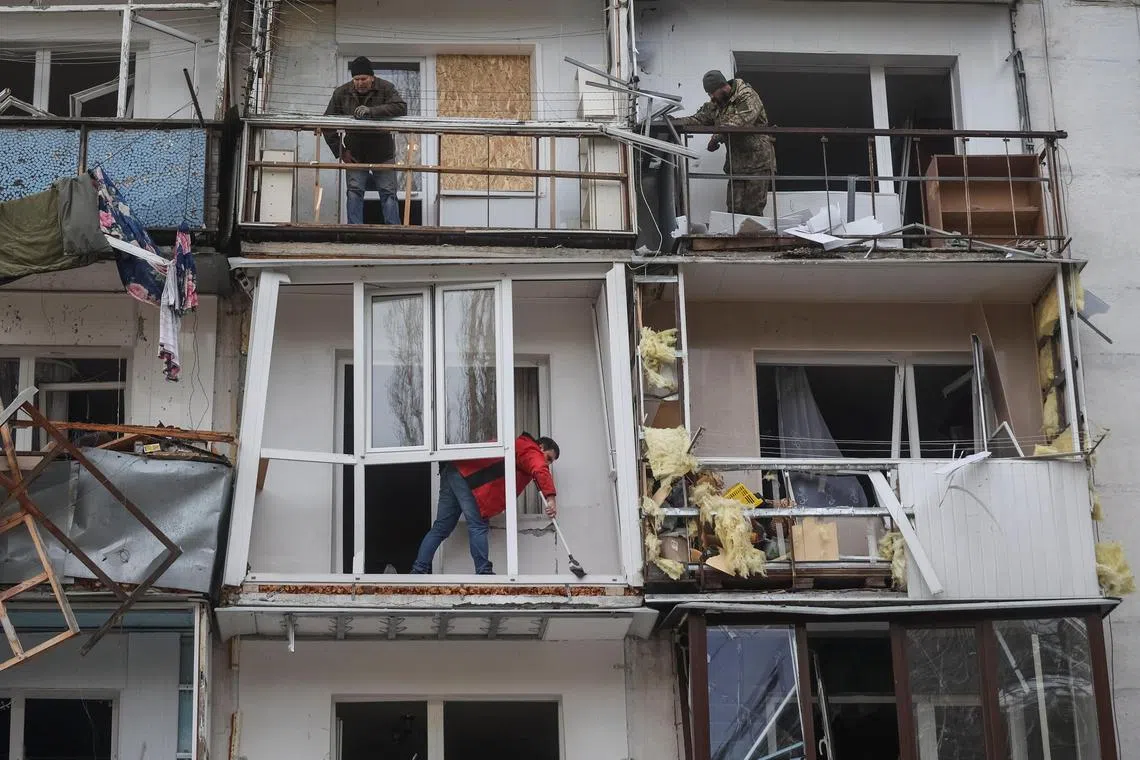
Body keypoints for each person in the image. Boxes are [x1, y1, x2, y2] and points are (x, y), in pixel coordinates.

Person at [411, 433, 560, 575]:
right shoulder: (529, 448)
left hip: (454, 470)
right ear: (540, 447)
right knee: (478, 524)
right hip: (467, 477)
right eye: (548, 458)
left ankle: (419, 569)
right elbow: (540, 467)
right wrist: (551, 498)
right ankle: (483, 572)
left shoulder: (520, 447)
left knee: (441, 528)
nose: (547, 463)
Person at [671, 69, 776, 217]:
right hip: (737, 165)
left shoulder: (747, 96)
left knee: (753, 208)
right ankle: (736, 240)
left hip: (757, 162)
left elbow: (741, 122)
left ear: (722, 86)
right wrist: (674, 122)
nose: (711, 97)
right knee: (734, 210)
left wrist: (716, 137)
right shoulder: (717, 103)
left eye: (712, 92)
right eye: (709, 94)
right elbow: (699, 119)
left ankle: (753, 240)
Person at [323, 56, 408, 225]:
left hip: (382, 151)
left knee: (388, 192)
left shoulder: (386, 88)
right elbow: (326, 124)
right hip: (355, 152)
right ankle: (355, 231)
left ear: (372, 78)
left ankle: (394, 232)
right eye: (356, 79)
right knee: (354, 192)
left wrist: (372, 111)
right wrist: (341, 151)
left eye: (363, 79)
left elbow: (401, 107)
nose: (360, 83)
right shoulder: (341, 93)